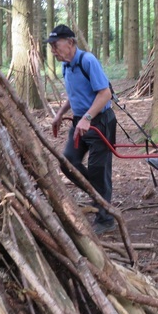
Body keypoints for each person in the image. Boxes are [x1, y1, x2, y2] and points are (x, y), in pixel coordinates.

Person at [46, 24, 118, 235]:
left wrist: (87, 118)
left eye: (56, 46)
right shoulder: (66, 66)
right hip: (80, 122)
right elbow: (74, 94)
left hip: (99, 122)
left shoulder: (88, 61)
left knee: (99, 170)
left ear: (70, 43)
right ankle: (96, 194)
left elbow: (104, 94)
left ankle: (106, 219)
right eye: (51, 47)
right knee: (68, 163)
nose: (53, 51)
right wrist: (59, 115)